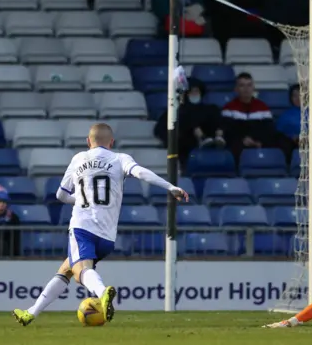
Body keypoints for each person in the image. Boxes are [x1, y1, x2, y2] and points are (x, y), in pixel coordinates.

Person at [12, 123, 189, 327]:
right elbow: (141, 173)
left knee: (80, 271)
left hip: (82, 226)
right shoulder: (120, 158)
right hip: (107, 235)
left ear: (88, 142)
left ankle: (103, 292)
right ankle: (31, 313)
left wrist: (79, 199)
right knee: (67, 268)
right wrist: (170, 187)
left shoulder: (78, 158)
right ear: (111, 142)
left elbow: (60, 194)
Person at [154, 78, 224, 169]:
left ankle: (213, 138)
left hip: (211, 147)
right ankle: (201, 138)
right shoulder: (176, 111)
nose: (194, 94)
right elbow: (160, 129)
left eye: (196, 91)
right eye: (191, 91)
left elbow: (218, 122)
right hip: (186, 149)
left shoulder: (210, 109)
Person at [221, 72, 278, 161]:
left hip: (259, 142)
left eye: (249, 85)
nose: (246, 89)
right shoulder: (229, 108)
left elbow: (269, 129)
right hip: (238, 144)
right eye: (242, 85)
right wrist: (243, 140)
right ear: (236, 89)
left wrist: (257, 141)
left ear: (253, 87)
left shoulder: (263, 107)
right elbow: (228, 130)